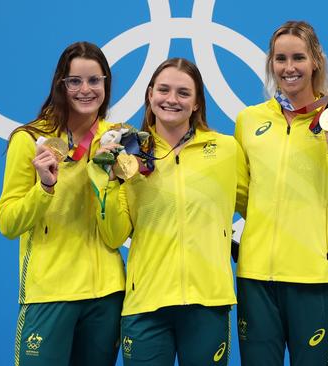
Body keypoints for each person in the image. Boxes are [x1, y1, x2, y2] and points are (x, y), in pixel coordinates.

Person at [89, 57, 248, 366]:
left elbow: (260, 206)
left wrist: (320, 236)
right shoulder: (128, 152)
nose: (172, 99)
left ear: (197, 102)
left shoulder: (226, 150)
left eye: (183, 92)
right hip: (146, 304)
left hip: (208, 302)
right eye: (163, 90)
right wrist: (105, 179)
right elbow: (113, 235)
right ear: (150, 95)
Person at [233, 20, 328, 366]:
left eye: (298, 58)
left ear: (316, 62)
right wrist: (295, 225)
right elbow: (243, 196)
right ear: (271, 64)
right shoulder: (249, 121)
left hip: (312, 280)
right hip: (255, 279)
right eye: (280, 59)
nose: (289, 68)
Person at [0, 41, 125, 366]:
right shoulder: (29, 140)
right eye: (75, 81)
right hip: (49, 294)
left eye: (95, 80)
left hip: (106, 296)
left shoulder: (117, 139)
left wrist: (106, 180)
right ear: (60, 85)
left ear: (106, 84)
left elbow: (121, 228)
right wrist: (44, 187)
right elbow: (8, 223)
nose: (86, 89)